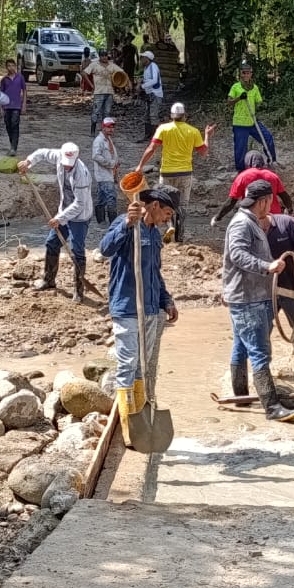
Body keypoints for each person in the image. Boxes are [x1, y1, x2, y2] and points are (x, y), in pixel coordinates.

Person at [100, 186, 179, 445]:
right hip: (127, 307)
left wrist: (166, 300)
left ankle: (139, 419)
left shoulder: (154, 234)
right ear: (154, 206)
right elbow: (105, 249)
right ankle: (128, 430)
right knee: (128, 363)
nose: (168, 219)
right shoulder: (126, 224)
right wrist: (126, 223)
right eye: (167, 212)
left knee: (141, 367)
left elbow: (155, 271)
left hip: (150, 307)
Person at [222, 180, 294, 423]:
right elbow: (236, 255)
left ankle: (242, 396)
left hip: (247, 296)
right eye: (271, 201)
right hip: (250, 298)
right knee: (259, 352)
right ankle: (271, 406)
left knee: (241, 347)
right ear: (263, 201)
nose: (272, 205)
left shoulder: (248, 222)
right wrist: (267, 266)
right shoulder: (242, 224)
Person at [19, 142, 94, 302]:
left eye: (69, 166)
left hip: (79, 217)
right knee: (52, 243)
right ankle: (48, 279)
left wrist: (59, 219)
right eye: (64, 165)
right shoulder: (59, 156)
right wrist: (28, 162)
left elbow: (79, 204)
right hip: (64, 210)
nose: (66, 167)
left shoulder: (82, 174)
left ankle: (78, 291)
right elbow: (42, 152)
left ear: (76, 158)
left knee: (77, 251)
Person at [134, 102, 215, 241]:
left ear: (171, 116)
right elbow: (203, 152)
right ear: (185, 116)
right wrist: (207, 135)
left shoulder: (163, 129)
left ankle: (169, 225)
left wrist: (140, 166)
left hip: (167, 173)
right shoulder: (193, 131)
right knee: (182, 205)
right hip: (185, 173)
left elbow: (152, 148)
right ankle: (179, 236)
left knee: (164, 202)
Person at [263, 210, 294, 360]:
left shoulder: (286, 223)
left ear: (266, 202)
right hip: (263, 291)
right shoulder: (248, 228)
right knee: (261, 329)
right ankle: (264, 366)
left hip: (290, 286)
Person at [211, 151, 293, 226]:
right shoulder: (273, 176)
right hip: (273, 218)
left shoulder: (242, 176)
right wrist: (290, 210)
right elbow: (284, 196)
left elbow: (231, 201)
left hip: (251, 218)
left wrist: (217, 217)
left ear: (247, 162)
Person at [228, 60, 273, 171]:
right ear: (240, 74)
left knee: (268, 138)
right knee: (240, 148)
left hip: (252, 121)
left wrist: (263, 105)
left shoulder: (255, 87)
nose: (246, 75)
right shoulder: (236, 87)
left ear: (251, 74)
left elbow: (259, 101)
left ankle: (272, 161)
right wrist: (239, 98)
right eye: (244, 72)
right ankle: (241, 171)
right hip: (240, 123)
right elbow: (229, 102)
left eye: (248, 72)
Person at [85, 48, 122, 137]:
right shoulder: (94, 65)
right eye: (102, 55)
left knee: (107, 112)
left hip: (109, 91)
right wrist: (91, 85)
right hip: (99, 92)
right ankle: (92, 131)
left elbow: (121, 73)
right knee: (96, 111)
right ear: (100, 56)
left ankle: (105, 131)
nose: (104, 57)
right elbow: (84, 73)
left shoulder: (112, 65)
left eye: (106, 55)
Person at [91, 117, 120, 226]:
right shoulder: (99, 141)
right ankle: (113, 223)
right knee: (111, 198)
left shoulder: (108, 139)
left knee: (101, 199)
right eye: (108, 127)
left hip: (108, 174)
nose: (111, 129)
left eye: (112, 127)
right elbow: (96, 156)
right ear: (103, 127)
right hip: (104, 174)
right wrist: (111, 163)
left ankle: (101, 221)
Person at [0, 58, 27, 155]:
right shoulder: (4, 80)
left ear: (15, 66)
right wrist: (1, 108)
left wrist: (24, 104)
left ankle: (13, 148)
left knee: (15, 125)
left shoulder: (20, 78)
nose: (11, 68)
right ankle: (12, 145)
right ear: (6, 67)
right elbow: (1, 94)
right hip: (6, 106)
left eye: (12, 65)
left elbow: (24, 91)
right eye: (9, 66)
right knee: (8, 125)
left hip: (16, 106)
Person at [139, 50, 163, 141]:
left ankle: (155, 137)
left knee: (153, 115)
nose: (141, 59)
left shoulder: (153, 66)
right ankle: (148, 135)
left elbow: (154, 81)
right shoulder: (146, 68)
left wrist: (142, 86)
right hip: (149, 94)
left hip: (155, 93)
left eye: (143, 58)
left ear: (147, 59)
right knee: (147, 115)